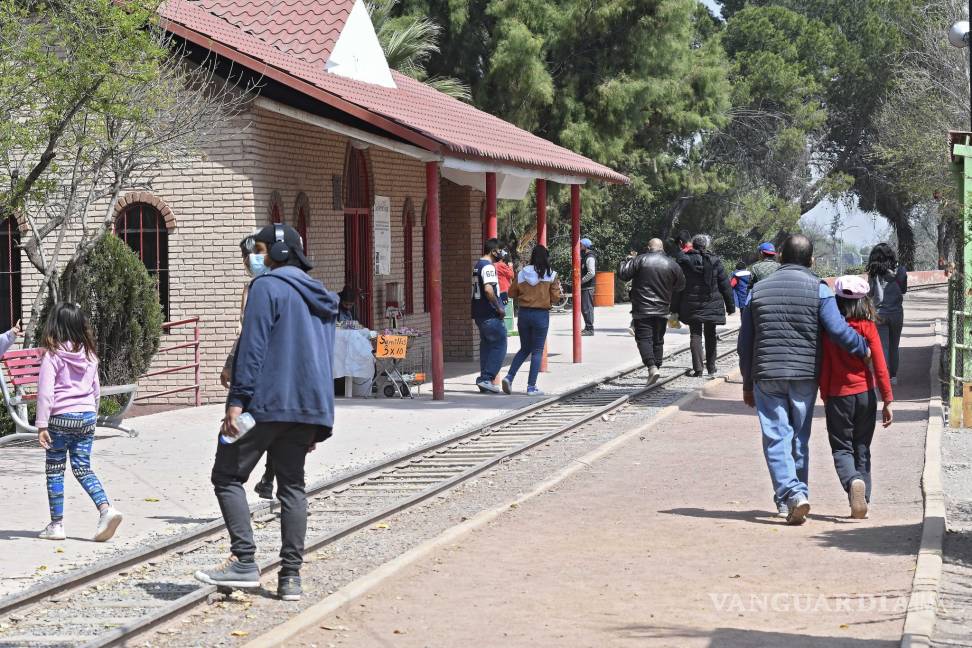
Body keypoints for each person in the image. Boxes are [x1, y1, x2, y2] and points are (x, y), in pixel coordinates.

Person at [195, 223, 337, 602]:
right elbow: (324, 357)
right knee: (292, 486)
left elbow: (253, 346)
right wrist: (316, 420)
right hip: (306, 408)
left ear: (278, 253)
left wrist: (236, 402)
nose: (255, 256)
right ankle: (290, 577)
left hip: (262, 405)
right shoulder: (322, 297)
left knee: (226, 474)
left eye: (259, 249)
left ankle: (243, 560)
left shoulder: (265, 288)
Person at [738, 234, 871, 525]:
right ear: (811, 260)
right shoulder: (820, 289)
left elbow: (745, 342)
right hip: (804, 374)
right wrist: (863, 348)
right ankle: (796, 495)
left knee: (776, 437)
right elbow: (837, 329)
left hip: (766, 372)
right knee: (799, 438)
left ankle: (793, 496)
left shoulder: (757, 291)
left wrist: (747, 382)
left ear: (781, 257)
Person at [35, 305, 123, 542]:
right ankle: (106, 509)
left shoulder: (52, 356)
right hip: (85, 417)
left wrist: (42, 425)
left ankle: (57, 525)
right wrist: (91, 417)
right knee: (83, 467)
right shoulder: (89, 354)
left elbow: (45, 393)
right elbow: (95, 391)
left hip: (60, 419)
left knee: (55, 470)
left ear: (55, 325)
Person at [820, 275, 894, 520]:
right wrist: (888, 400)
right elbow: (881, 366)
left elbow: (824, 366)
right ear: (865, 301)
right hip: (865, 395)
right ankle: (864, 499)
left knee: (842, 449)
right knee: (862, 448)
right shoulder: (868, 327)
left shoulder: (831, 330)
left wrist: (825, 395)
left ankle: (853, 483)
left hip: (838, 395)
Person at [221, 234, 275, 501]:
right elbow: (245, 334)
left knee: (258, 424)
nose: (250, 259)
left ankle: (241, 477)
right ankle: (258, 476)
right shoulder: (250, 288)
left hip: (267, 368)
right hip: (251, 366)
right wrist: (230, 362)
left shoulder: (274, 288)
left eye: (256, 253)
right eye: (246, 255)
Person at [619, 238, 685, 384]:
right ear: (662, 248)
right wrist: (667, 289)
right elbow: (681, 285)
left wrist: (625, 261)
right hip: (662, 308)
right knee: (658, 340)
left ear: (649, 247)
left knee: (643, 339)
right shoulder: (671, 263)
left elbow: (623, 274)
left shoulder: (640, 260)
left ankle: (651, 367)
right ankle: (657, 367)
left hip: (642, 308)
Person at [672, 234, 734, 377]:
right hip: (711, 302)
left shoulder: (684, 260)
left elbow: (677, 286)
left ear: (693, 245)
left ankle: (698, 369)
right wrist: (730, 306)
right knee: (710, 335)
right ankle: (711, 368)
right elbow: (725, 284)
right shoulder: (715, 261)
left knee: (695, 335)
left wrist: (674, 308)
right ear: (706, 245)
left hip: (691, 304)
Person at [502, 245, 560, 396]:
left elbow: (511, 292)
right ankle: (531, 386)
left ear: (532, 257)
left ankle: (509, 377)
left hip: (524, 314)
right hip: (541, 315)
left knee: (525, 348)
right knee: (537, 351)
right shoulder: (551, 275)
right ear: (546, 257)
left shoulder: (522, 273)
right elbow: (555, 297)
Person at [867, 243, 908, 385]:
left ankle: (883, 377)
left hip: (879, 314)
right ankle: (893, 377)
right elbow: (903, 290)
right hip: (897, 313)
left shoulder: (874, 273)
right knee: (894, 346)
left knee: (882, 346)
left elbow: (870, 293)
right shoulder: (900, 271)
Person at [471, 238, 508, 394]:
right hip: (489, 313)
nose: (503, 253)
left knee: (486, 344)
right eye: (501, 250)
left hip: (478, 312)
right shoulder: (488, 267)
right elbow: (488, 289)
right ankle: (487, 377)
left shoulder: (477, 265)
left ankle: (484, 379)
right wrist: (499, 307)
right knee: (500, 344)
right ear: (494, 251)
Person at [580, 238, 596, 335]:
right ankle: (587, 327)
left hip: (588, 287)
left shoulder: (590, 257)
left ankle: (590, 329)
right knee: (585, 308)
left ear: (585, 246)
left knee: (587, 308)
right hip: (585, 287)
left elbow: (591, 273)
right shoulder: (585, 256)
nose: (579, 246)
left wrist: (581, 281)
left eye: (581, 244)